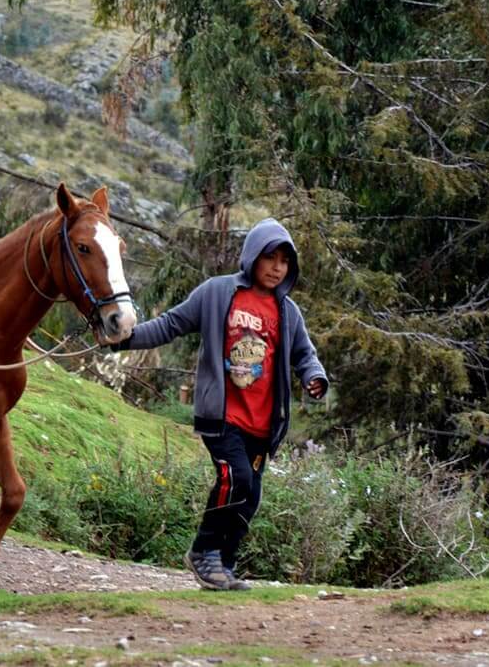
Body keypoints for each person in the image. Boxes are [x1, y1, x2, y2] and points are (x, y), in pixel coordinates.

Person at [112, 218, 328, 590]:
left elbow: (304, 355)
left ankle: (223, 566)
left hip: (263, 424)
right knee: (235, 478)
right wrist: (123, 339)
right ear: (253, 256)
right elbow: (170, 324)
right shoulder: (216, 292)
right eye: (270, 257)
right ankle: (203, 552)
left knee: (250, 496)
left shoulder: (288, 312)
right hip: (223, 416)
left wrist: (315, 376)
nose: (277, 267)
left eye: (284, 261)